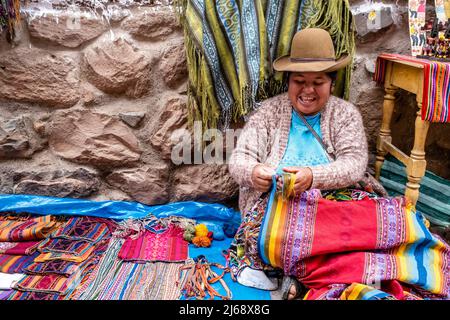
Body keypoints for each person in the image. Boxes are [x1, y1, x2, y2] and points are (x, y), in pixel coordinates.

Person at [227, 28, 387, 299]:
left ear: (331, 83)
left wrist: (313, 177)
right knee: (280, 228)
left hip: (334, 201)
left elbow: (355, 163)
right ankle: (337, 275)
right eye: (299, 81)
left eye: (318, 82)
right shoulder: (268, 113)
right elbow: (239, 158)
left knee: (372, 220)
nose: (308, 90)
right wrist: (254, 172)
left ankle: (299, 280)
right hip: (281, 202)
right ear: (288, 81)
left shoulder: (345, 114)